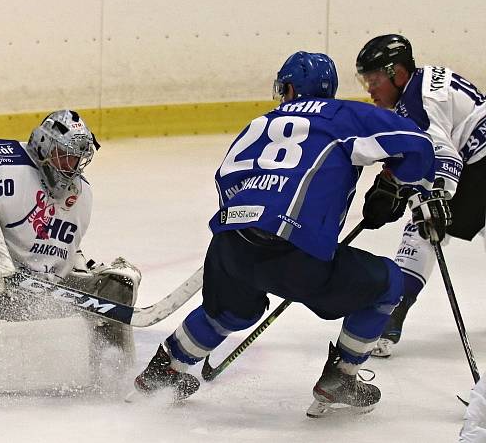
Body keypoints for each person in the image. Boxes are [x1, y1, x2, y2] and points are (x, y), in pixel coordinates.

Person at [132, 52, 445, 417]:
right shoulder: (344, 116)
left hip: (230, 241)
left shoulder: (260, 123)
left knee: (231, 310)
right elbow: (416, 143)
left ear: (292, 88)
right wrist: (394, 184)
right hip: (297, 255)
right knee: (388, 283)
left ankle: (163, 370)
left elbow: (225, 180)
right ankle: (342, 376)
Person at [0, 109, 140, 343]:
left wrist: (80, 268)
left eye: (76, 159)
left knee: (118, 283)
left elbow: (65, 250)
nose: (71, 166)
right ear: (43, 145)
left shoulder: (82, 193)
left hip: (33, 300)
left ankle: (107, 362)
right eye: (64, 155)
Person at [356, 34, 486, 357]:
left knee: (423, 223)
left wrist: (422, 197)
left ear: (398, 74)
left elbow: (444, 159)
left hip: (477, 163)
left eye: (374, 79)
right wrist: (394, 181)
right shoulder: (419, 87)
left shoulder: (417, 102)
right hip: (479, 158)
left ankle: (389, 317)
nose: (369, 89)